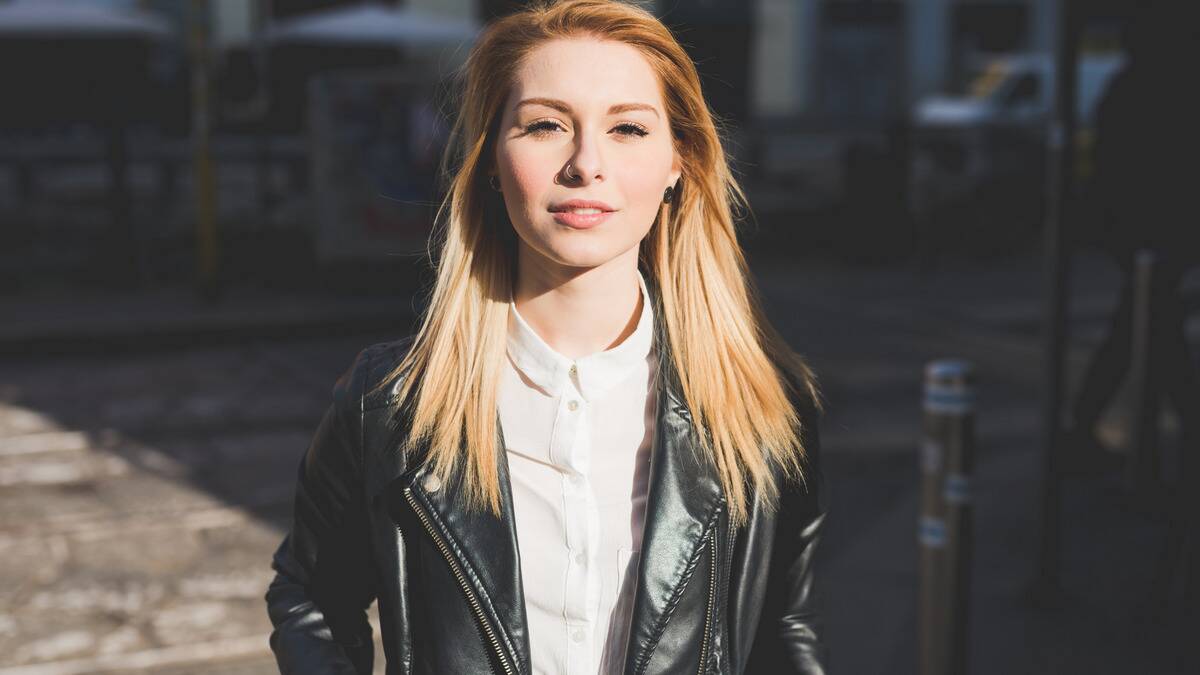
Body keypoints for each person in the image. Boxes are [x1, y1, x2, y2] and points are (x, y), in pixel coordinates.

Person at [264, 1, 829, 673]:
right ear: (492, 160)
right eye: (544, 125)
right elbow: (313, 593)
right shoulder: (388, 405)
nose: (586, 163)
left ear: (679, 160)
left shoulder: (765, 408)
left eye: (626, 127)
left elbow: (782, 626)